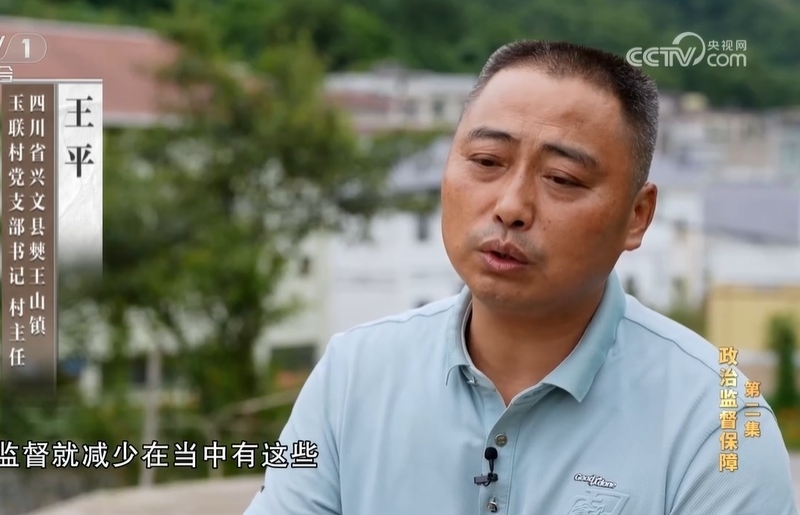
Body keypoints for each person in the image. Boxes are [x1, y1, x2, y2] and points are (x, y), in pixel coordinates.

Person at [243, 40, 797, 515]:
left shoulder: (722, 420)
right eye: (487, 161)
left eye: (562, 178)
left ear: (637, 216)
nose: (511, 206)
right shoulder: (352, 374)